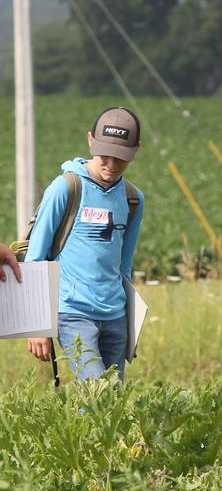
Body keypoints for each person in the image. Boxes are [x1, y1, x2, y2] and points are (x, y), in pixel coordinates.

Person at [26, 107, 144, 381]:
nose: (111, 166)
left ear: (136, 150)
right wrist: (36, 326)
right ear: (90, 140)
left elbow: (124, 269)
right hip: (72, 313)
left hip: (116, 318)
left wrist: (131, 325)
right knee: (94, 393)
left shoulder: (133, 199)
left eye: (121, 159)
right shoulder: (65, 188)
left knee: (112, 401)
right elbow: (36, 256)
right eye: (105, 156)